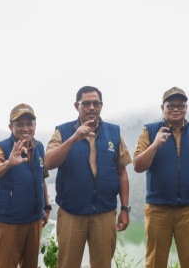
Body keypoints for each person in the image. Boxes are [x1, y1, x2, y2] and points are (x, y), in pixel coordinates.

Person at [44, 86, 131, 268]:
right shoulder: (63, 131)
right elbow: (48, 163)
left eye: (96, 103)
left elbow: (122, 172)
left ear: (101, 105)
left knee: (102, 264)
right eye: (86, 103)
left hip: (104, 213)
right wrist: (74, 138)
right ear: (77, 106)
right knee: (67, 263)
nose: (92, 107)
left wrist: (124, 208)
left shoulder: (114, 133)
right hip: (71, 212)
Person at [132, 87, 189, 268]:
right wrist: (155, 145)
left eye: (181, 105)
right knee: (155, 263)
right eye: (171, 105)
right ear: (162, 107)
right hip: (157, 210)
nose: (176, 109)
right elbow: (137, 165)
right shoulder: (149, 131)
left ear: (186, 108)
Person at [0, 103, 50, 268]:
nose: (25, 128)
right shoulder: (1, 148)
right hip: (9, 222)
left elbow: (41, 179)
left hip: (34, 220)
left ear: (35, 126)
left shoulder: (39, 147)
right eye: (19, 124)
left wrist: (46, 207)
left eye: (30, 124)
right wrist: (9, 163)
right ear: (10, 127)